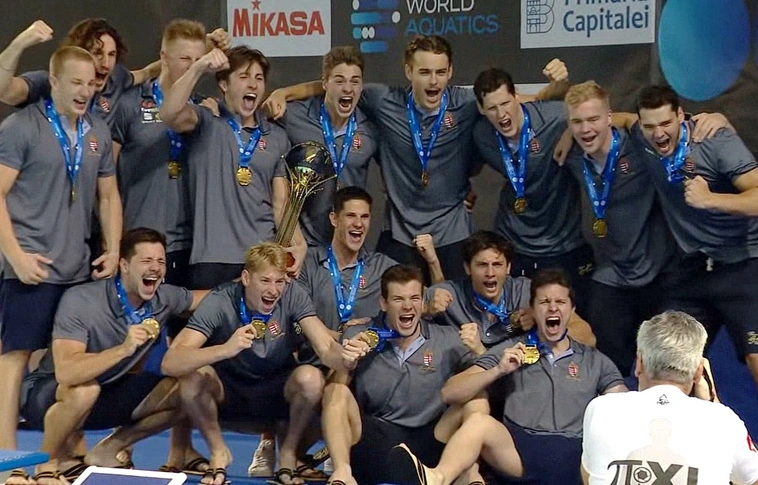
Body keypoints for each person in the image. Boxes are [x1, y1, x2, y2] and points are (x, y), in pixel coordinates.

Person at [265, 35, 568, 283]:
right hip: (400, 235)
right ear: (409, 72)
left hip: (452, 234)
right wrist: (284, 92)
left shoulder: (467, 102)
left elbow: (514, 103)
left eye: (440, 72)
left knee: (454, 318)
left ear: (450, 72)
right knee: (394, 317)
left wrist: (556, 91)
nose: (433, 81)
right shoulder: (383, 100)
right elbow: (338, 85)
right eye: (424, 72)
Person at [387, 269, 626, 485]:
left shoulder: (595, 360)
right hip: (520, 452)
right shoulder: (512, 349)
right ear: (532, 310)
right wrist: (498, 370)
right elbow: (450, 392)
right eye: (544, 302)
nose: (553, 308)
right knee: (479, 423)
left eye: (560, 302)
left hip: (575, 454)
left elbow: (625, 408)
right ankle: (437, 477)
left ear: (571, 310)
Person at [0, 46, 122, 464]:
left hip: (77, 269)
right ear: (53, 82)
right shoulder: (21, 127)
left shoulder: (97, 131)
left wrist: (114, 248)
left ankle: (68, 448)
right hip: (31, 265)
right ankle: (6, 455)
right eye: (76, 83)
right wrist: (16, 257)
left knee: (70, 360)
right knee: (15, 357)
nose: (85, 91)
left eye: (91, 84)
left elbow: (108, 196)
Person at [18, 228, 207, 485]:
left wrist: (252, 283)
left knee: (190, 387)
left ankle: (109, 449)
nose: (155, 267)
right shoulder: (82, 300)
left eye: (160, 261)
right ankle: (48, 463)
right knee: (85, 390)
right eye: (147, 260)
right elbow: (67, 373)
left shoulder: (163, 298)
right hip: (49, 395)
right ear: (124, 265)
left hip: (108, 391)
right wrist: (123, 349)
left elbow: (207, 298)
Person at [161, 242, 361, 485]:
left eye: (279, 281)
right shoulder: (220, 299)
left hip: (277, 392)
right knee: (193, 378)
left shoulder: (292, 293)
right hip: (228, 392)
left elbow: (326, 347)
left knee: (310, 377)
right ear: (246, 278)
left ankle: (288, 453)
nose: (274, 290)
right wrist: (225, 349)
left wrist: (345, 358)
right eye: (265, 281)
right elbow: (171, 362)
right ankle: (218, 451)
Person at [633, 84, 758, 394]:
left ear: (681, 116)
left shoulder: (714, 140)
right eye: (649, 126)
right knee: (665, 357)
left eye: (666, 123)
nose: (658, 133)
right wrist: (568, 134)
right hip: (692, 267)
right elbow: (617, 119)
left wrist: (710, 199)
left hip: (742, 262)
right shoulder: (642, 136)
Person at [160, 46, 305, 290]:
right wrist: (199, 67)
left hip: (261, 260)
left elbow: (281, 202)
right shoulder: (206, 121)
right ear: (224, 84)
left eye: (259, 78)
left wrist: (297, 241)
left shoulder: (275, 136)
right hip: (212, 260)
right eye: (243, 76)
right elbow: (169, 113)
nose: (253, 84)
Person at [322, 264, 479, 485]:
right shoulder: (359, 334)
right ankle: (342, 473)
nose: (407, 306)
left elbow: (485, 377)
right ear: (383, 303)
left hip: (429, 440)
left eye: (414, 298)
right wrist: (348, 363)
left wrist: (479, 350)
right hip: (377, 438)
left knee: (476, 400)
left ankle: (469, 473)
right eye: (398, 299)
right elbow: (332, 392)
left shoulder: (448, 339)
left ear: (422, 302)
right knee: (335, 390)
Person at [561, 81, 678, 376]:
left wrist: (716, 118)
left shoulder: (640, 145)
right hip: (610, 273)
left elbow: (671, 127)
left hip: (657, 272)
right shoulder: (572, 155)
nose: (586, 129)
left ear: (609, 117)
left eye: (593, 119)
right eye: (577, 122)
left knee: (663, 365)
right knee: (607, 362)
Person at [581, 311, 758, 484]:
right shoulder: (724, 420)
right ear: (699, 372)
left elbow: (589, 475)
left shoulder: (601, 409)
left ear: (639, 363)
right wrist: (713, 402)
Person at [471, 68, 593, 316]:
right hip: (514, 244)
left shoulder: (555, 118)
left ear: (517, 96)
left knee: (570, 322)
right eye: (492, 108)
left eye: (505, 103)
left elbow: (595, 109)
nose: (502, 114)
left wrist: (571, 130)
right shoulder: (481, 134)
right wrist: (464, 189)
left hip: (562, 244)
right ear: (481, 110)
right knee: (515, 322)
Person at [110, 19, 217, 290]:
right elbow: (105, 175)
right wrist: (110, 239)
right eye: (184, 59)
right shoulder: (130, 103)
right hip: (139, 241)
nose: (192, 66)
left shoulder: (202, 109)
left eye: (198, 60)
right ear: (164, 57)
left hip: (190, 245)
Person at [426, 231, 596, 356]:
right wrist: (425, 309)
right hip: (471, 377)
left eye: (497, 265)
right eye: (482, 265)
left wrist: (542, 323)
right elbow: (410, 313)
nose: (490, 273)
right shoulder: (448, 294)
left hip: (518, 378)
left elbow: (587, 337)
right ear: (467, 268)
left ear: (508, 268)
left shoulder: (528, 291)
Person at [276, 46, 378, 247]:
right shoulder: (294, 116)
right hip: (304, 244)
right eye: (339, 81)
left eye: (355, 81)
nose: (348, 89)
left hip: (348, 243)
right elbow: (254, 113)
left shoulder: (371, 128)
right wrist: (280, 94)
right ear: (324, 83)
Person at [0, 18, 160, 127]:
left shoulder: (116, 79)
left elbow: (147, 72)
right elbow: (4, 90)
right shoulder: (50, 84)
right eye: (97, 53)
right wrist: (18, 44)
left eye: (111, 54)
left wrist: (171, 58)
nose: (106, 64)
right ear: (79, 54)